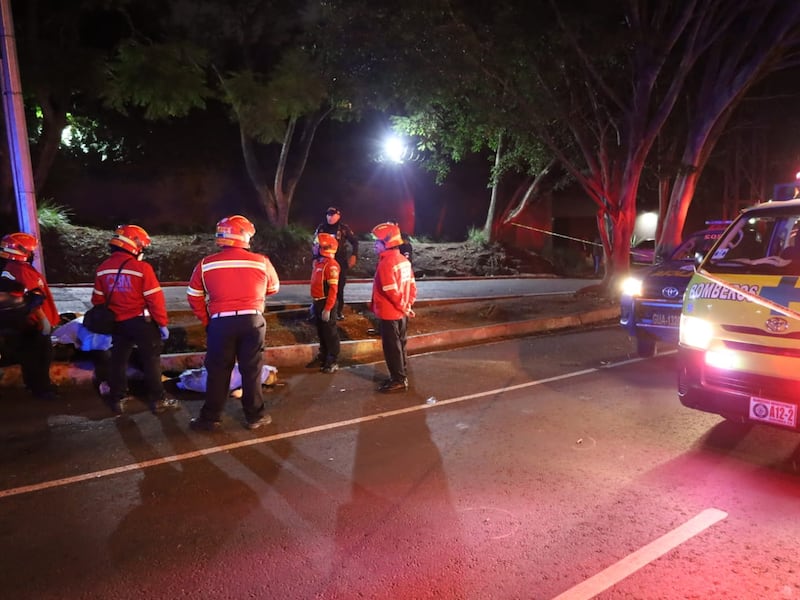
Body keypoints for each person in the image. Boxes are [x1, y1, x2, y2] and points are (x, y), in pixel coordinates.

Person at [186, 215, 280, 431]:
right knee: (252, 370)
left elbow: (193, 296)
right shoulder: (261, 261)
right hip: (253, 321)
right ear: (244, 236)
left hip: (220, 323)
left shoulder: (205, 264)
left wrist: (206, 320)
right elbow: (273, 288)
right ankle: (255, 416)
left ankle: (210, 418)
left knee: (218, 371)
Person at [92, 224, 179, 416]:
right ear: (134, 245)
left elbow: (97, 300)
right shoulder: (142, 268)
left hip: (118, 323)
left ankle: (117, 398)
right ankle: (158, 399)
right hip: (142, 323)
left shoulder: (102, 269)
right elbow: (155, 300)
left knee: (119, 360)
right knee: (151, 361)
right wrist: (162, 324)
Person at [0, 232, 59, 399]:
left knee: (36, 357)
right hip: (34, 324)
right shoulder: (20, 271)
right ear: (23, 251)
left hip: (31, 324)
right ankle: (42, 390)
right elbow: (34, 300)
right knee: (39, 357)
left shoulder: (17, 269)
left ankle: (39, 386)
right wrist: (45, 324)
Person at [369, 222, 417, 393]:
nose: (374, 245)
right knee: (400, 344)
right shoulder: (403, 260)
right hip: (401, 313)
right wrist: (408, 304)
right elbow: (412, 285)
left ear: (387, 243)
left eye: (377, 242)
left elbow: (391, 291)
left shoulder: (386, 263)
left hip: (390, 313)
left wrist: (404, 306)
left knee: (391, 347)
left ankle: (397, 379)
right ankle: (401, 373)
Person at [313, 206, 358, 320]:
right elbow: (315, 244)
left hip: (340, 261)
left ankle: (337, 311)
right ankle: (318, 310)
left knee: (339, 287)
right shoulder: (321, 228)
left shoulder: (343, 228)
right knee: (321, 287)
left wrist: (354, 256)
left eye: (332, 215)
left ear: (338, 215)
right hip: (323, 262)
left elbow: (355, 242)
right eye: (328, 214)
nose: (330, 217)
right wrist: (314, 258)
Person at [306, 232, 341, 373]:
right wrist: (314, 304)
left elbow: (333, 290)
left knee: (330, 333)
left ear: (324, 247)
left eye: (317, 244)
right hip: (318, 303)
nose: (314, 246)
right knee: (321, 332)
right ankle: (323, 356)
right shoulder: (319, 263)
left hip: (327, 303)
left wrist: (328, 308)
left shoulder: (331, 265)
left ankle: (332, 360)